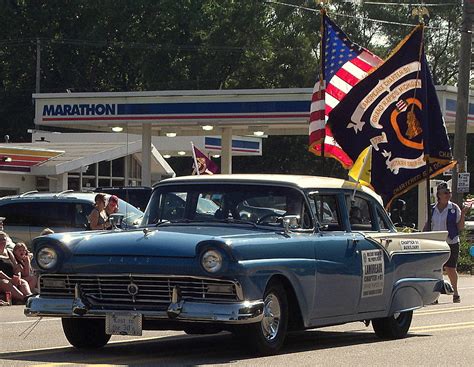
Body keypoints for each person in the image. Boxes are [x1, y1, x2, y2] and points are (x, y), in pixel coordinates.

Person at [425, 182, 472, 303]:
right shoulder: (432, 209)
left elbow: (460, 227)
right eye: (445, 192)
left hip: (451, 241)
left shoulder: (454, 208)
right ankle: (435, 296)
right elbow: (427, 225)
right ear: (439, 195)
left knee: (450, 268)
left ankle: (455, 293)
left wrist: (463, 214)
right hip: (436, 242)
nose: (448, 194)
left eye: (449, 192)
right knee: (436, 268)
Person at [0, 231, 33, 304]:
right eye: (0, 239)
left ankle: (29, 295)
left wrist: (17, 277)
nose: (2, 241)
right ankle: (24, 299)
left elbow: (16, 267)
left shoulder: (8, 252)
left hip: (11, 277)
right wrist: (10, 279)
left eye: (4, 239)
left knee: (23, 282)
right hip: (3, 279)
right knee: (5, 282)